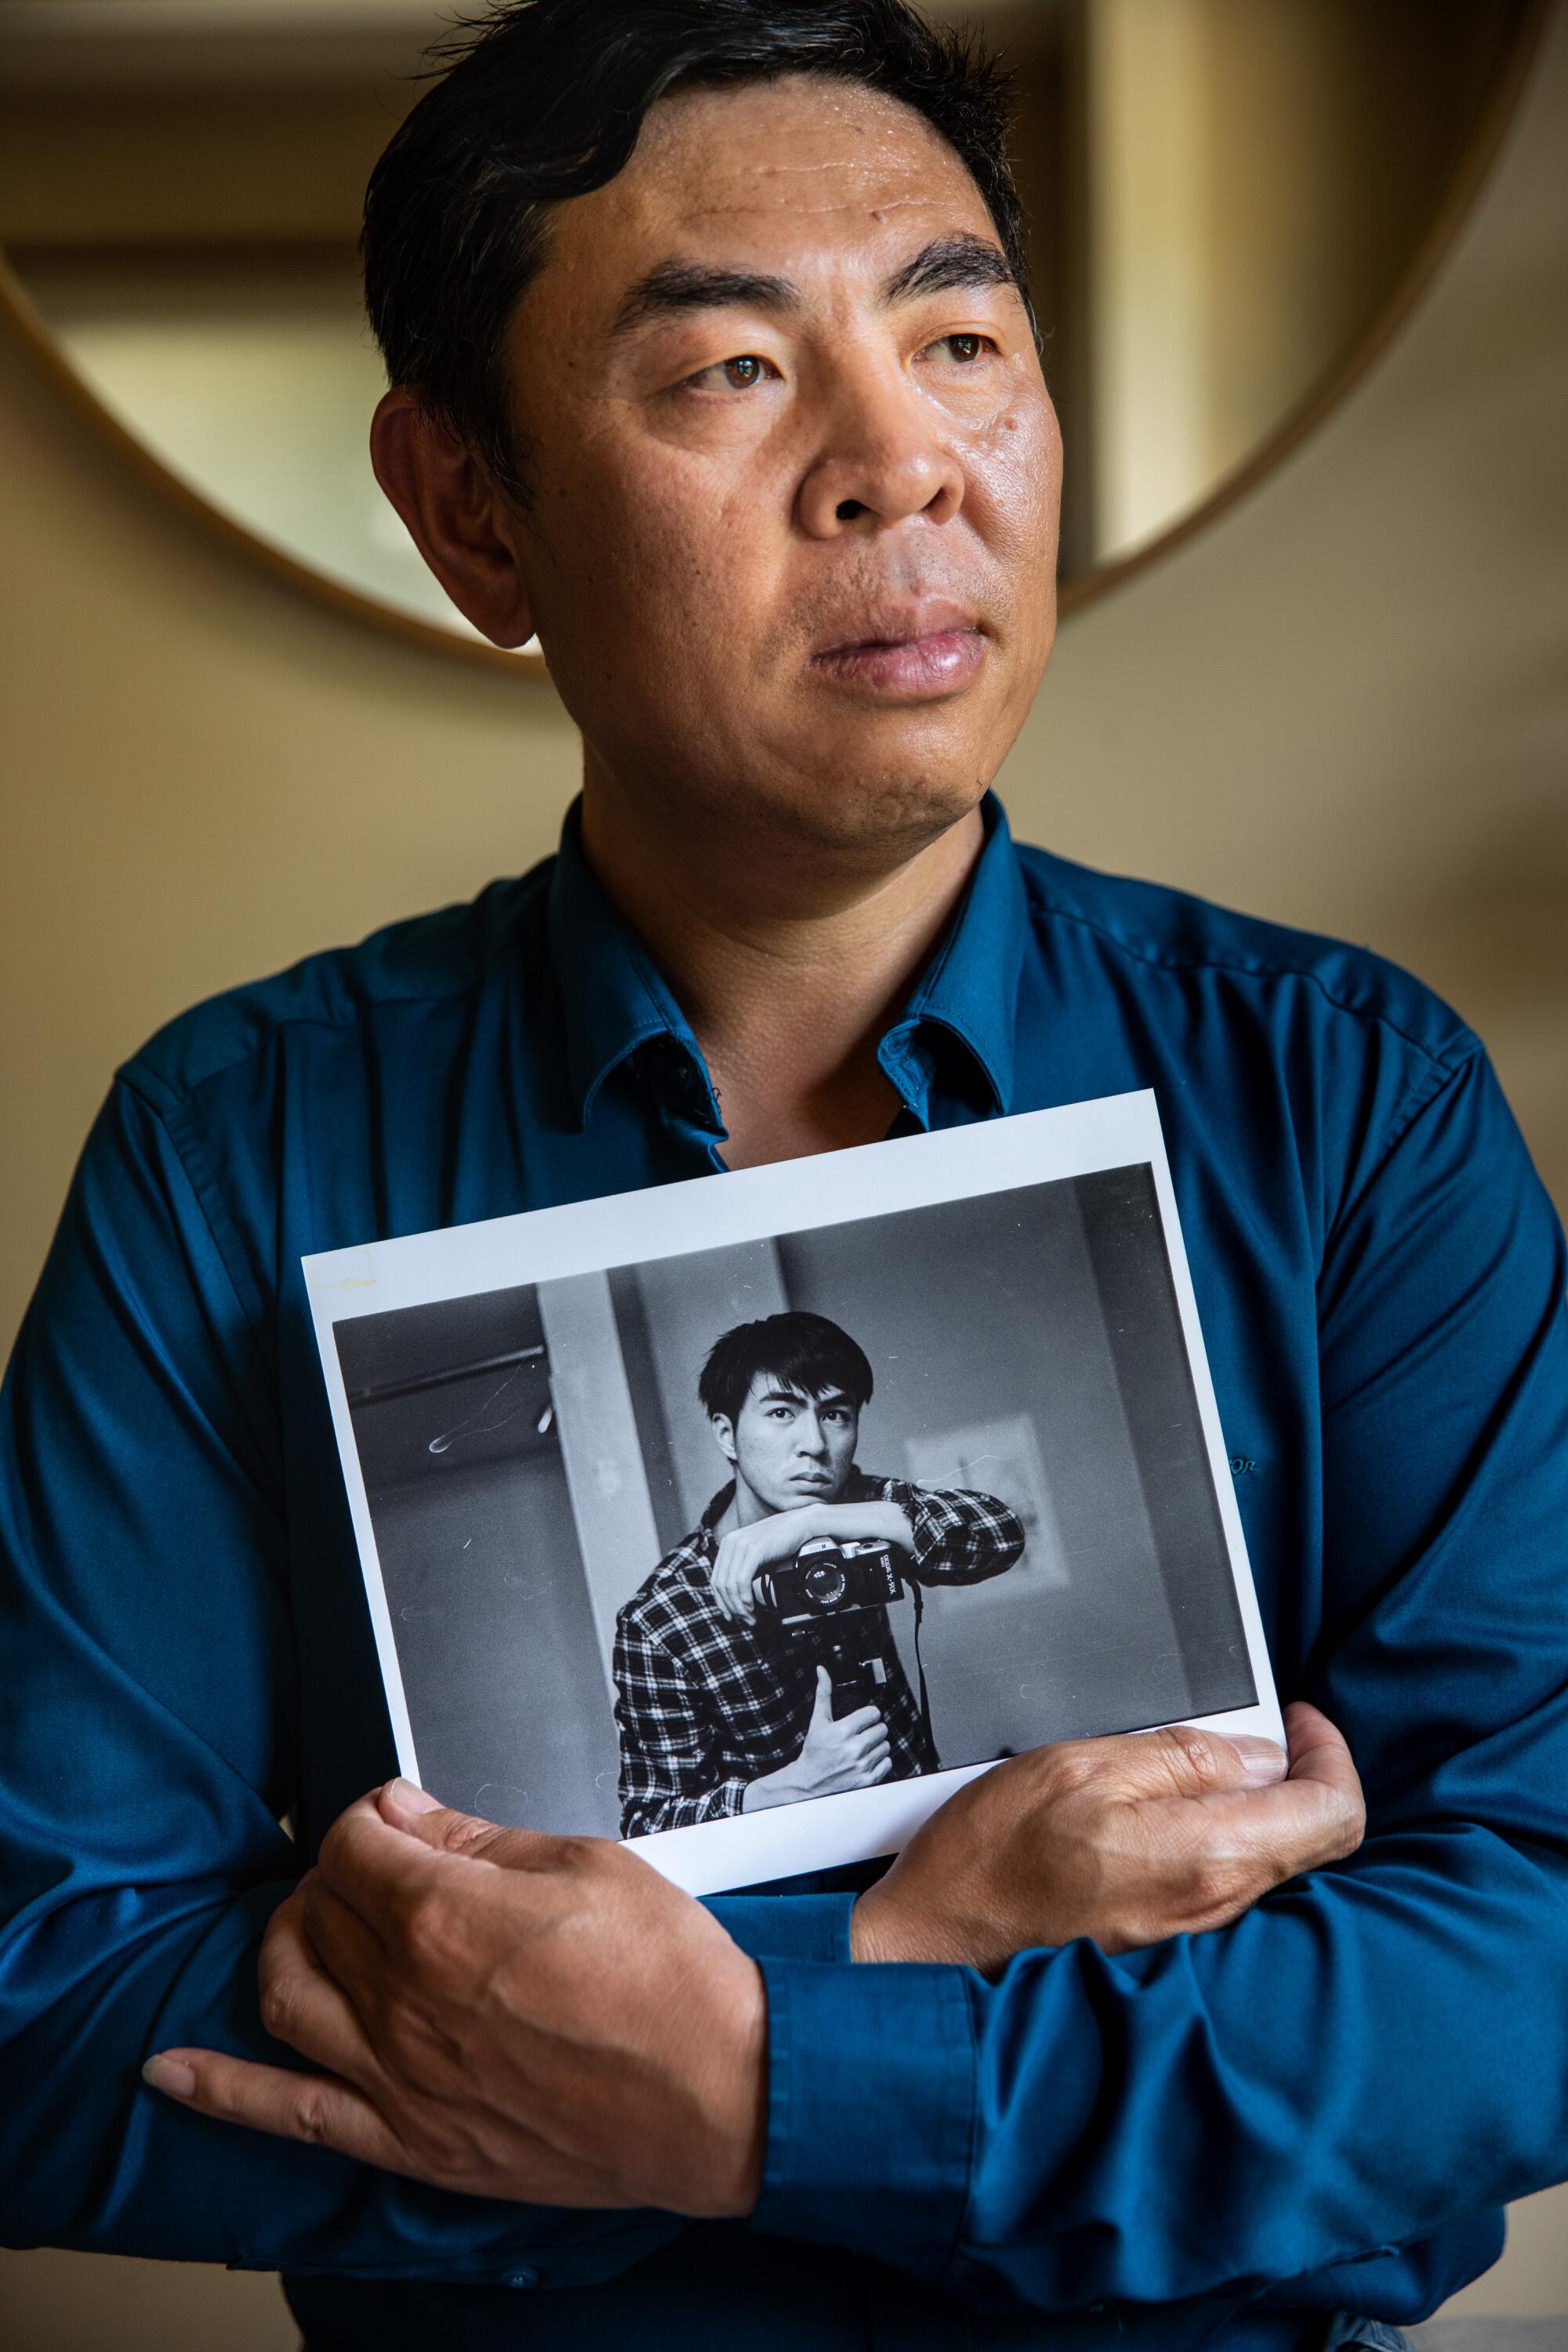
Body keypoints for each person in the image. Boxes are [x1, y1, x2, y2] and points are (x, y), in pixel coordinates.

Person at [2, 2, 1564, 2349]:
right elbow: (49, 2008)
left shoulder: (1348, 1104)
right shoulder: (240, 1147)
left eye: (960, 337)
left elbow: (1528, 1942)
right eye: (729, 371)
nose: (899, 463)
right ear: (472, 511)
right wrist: (893, 1959)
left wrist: (732, 2085)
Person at [613, 1308, 1027, 1834]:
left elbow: (1001, 1532)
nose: (814, 1443)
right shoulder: (660, 1620)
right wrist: (783, 1791)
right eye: (782, 1413)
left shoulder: (856, 1509)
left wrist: (817, 1520)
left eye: (835, 1415)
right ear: (726, 1433)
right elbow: (649, 1825)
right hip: (796, 1874)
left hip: (921, 1837)